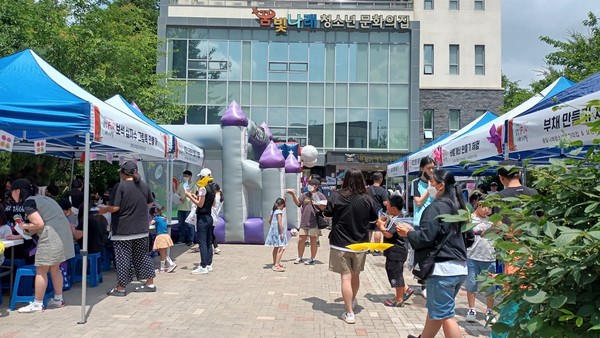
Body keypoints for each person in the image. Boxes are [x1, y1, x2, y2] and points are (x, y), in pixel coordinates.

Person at [396, 169, 469, 338]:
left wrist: (408, 233)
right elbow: (469, 238)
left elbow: (426, 237)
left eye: (432, 183)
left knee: (445, 316)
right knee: (437, 310)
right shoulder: (459, 207)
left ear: (441, 186)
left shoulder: (435, 208)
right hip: (459, 268)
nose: (429, 186)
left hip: (442, 269)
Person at [11, 178, 75, 313]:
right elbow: (44, 221)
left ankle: (37, 303)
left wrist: (23, 225)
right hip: (63, 236)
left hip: (51, 237)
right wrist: (29, 228)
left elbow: (39, 224)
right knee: (55, 269)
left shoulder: (29, 203)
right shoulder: (44, 199)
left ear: (17, 191)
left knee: (41, 270)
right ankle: (58, 299)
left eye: (11, 191)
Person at [324, 168, 379, 324]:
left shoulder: (336, 195)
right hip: (360, 244)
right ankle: (353, 300)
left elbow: (327, 214)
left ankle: (349, 313)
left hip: (340, 243)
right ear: (362, 180)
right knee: (355, 276)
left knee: (345, 278)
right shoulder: (367, 199)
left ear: (346, 180)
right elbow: (373, 220)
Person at [98, 161, 156, 296]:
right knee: (142, 256)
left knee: (123, 258)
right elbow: (150, 202)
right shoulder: (143, 185)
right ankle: (149, 283)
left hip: (123, 229)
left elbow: (116, 207)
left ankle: (121, 287)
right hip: (141, 228)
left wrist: (104, 209)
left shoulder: (121, 186)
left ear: (123, 173)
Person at [465, 194, 497, 324]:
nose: (488, 210)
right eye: (486, 207)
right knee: (471, 284)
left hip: (489, 257)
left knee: (491, 287)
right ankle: (471, 309)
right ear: (479, 205)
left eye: (490, 208)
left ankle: (489, 311)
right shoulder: (470, 219)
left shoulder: (492, 221)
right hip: (472, 257)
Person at [378, 195, 413, 307]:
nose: (386, 206)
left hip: (396, 252)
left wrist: (381, 226)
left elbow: (388, 234)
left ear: (393, 208)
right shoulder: (395, 216)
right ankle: (405, 290)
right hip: (396, 252)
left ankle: (398, 300)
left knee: (395, 275)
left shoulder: (397, 220)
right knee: (397, 273)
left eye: (388, 205)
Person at [286, 178, 327, 265]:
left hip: (314, 221)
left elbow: (324, 208)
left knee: (313, 240)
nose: (309, 186)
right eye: (309, 184)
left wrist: (317, 202)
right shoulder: (305, 195)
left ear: (316, 186)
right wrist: (293, 195)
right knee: (301, 239)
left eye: (311, 185)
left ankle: (312, 258)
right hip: (304, 221)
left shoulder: (321, 195)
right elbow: (298, 204)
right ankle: (299, 257)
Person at [185, 168, 216, 275]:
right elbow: (213, 203)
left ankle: (203, 266)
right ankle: (209, 264)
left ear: (203, 177)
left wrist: (189, 196)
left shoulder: (203, 188)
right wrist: (196, 197)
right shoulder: (213, 187)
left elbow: (200, 204)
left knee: (202, 242)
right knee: (208, 241)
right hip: (209, 217)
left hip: (202, 218)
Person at [367, 172, 389, 256]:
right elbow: (385, 203)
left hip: (368, 212)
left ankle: (367, 249)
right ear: (381, 179)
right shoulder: (382, 190)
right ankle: (376, 249)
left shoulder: (367, 189)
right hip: (378, 212)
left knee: (369, 230)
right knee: (377, 230)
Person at [150, 206, 177, 273]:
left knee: (162, 253)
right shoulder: (164, 218)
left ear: (153, 214)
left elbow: (151, 223)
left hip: (161, 237)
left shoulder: (156, 218)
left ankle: (171, 264)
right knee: (163, 253)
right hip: (166, 236)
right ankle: (162, 268)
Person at [264, 197, 287, 272]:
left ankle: (275, 263)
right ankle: (276, 265)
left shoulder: (273, 211)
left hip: (274, 232)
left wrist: (273, 228)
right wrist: (281, 233)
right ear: (282, 205)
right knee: (282, 248)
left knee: (276, 248)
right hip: (279, 233)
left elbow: (269, 221)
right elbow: (280, 223)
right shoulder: (279, 212)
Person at [176, 170, 195, 246]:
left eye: (186, 176)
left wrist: (188, 195)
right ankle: (181, 239)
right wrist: (178, 197)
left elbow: (195, 195)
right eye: (184, 176)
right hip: (180, 208)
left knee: (190, 225)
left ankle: (191, 240)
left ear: (190, 176)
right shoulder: (181, 185)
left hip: (189, 208)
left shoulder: (193, 185)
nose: (185, 177)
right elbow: (177, 193)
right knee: (181, 225)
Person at [211, 183, 224, 254]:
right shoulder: (221, 196)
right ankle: (215, 247)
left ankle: (215, 247)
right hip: (215, 216)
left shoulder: (215, 197)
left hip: (211, 216)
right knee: (211, 232)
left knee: (209, 233)